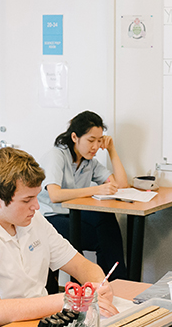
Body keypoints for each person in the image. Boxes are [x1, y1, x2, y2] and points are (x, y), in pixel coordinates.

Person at [0, 147, 118, 327]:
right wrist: (67, 300)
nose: (36, 206)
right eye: (27, 200)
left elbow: (80, 265)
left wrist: (98, 285)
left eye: (36, 197)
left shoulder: (32, 220)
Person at [38, 111, 130, 279]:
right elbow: (55, 195)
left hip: (73, 214)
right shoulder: (56, 155)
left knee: (106, 221)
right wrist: (95, 189)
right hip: (49, 216)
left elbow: (121, 185)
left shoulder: (89, 162)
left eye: (99, 140)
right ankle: (104, 285)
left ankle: (116, 284)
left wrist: (111, 150)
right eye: (90, 140)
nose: (95, 147)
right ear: (75, 137)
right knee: (105, 240)